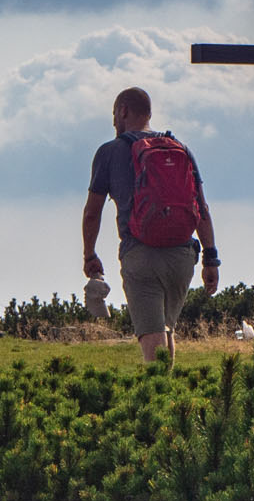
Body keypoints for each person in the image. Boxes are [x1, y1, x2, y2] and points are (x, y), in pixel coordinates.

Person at [81, 87, 220, 362]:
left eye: (113, 114)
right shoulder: (181, 149)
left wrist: (89, 255)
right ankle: (169, 394)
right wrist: (211, 258)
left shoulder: (109, 152)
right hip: (182, 256)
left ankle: (159, 397)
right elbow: (201, 208)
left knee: (151, 335)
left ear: (122, 111)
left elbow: (92, 213)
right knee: (167, 329)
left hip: (140, 253)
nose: (113, 122)